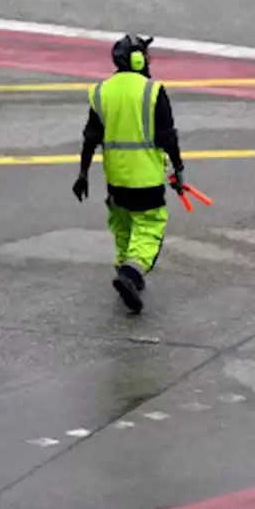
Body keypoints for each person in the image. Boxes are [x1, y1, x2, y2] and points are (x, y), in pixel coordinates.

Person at [72, 34, 185, 314]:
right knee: (148, 228)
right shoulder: (152, 91)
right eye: (145, 55)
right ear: (136, 59)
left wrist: (83, 174)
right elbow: (167, 137)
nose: (148, 60)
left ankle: (125, 269)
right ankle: (131, 275)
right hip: (146, 179)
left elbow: (91, 137)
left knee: (122, 225)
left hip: (116, 180)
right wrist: (179, 170)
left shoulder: (102, 92)